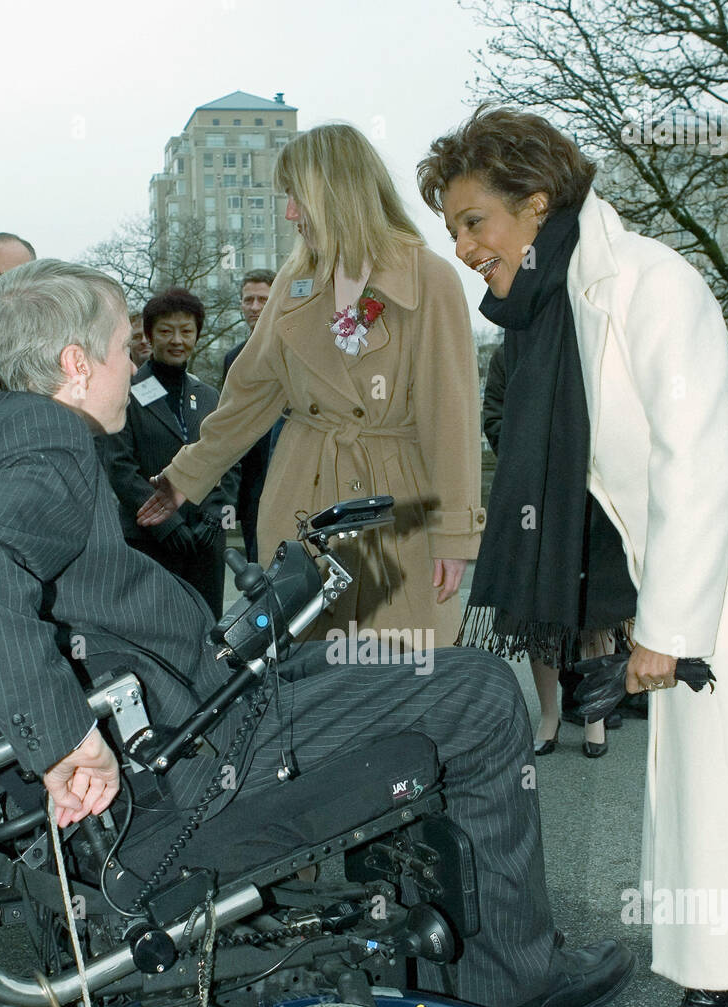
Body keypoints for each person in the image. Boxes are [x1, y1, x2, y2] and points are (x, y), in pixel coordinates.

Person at [0, 258, 632, 1007]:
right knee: (478, 690)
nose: (134, 359)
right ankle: (510, 977)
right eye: (122, 347)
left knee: (368, 658)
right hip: (193, 752)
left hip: (178, 698)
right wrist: (66, 741)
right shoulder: (50, 441)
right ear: (75, 365)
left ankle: (443, 929)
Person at [418, 105, 728, 1007]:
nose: (460, 248)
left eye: (472, 221)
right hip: (706, 559)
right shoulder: (560, 306)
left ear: (535, 204)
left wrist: (667, 625)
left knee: (724, 796)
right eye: (450, 228)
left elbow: (697, 457)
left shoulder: (648, 283)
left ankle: (716, 1002)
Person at [137, 123, 486, 648]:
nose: (290, 213)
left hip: (396, 506)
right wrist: (184, 477)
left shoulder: (428, 279)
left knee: (397, 671)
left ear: (334, 194)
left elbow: (452, 416)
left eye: (297, 197)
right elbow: (250, 395)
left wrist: (455, 534)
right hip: (303, 495)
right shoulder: (293, 282)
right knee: (302, 672)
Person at [481, 342, 623, 758]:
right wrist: (538, 448)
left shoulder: (595, 346)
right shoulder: (509, 354)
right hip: (531, 498)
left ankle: (595, 715)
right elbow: (495, 420)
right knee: (536, 613)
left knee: (596, 614)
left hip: (590, 498)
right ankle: (549, 715)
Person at [97, 288, 238, 619]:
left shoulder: (208, 396)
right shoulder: (124, 393)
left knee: (206, 632)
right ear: (148, 335)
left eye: (186, 331)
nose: (177, 340)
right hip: (150, 541)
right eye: (165, 331)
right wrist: (166, 523)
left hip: (204, 543)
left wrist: (214, 516)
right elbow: (119, 467)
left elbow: (230, 460)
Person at [222, 270, 282, 562]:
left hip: (289, 469)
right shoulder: (233, 358)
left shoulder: (293, 347)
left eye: (262, 300)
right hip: (251, 486)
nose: (255, 307)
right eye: (249, 300)